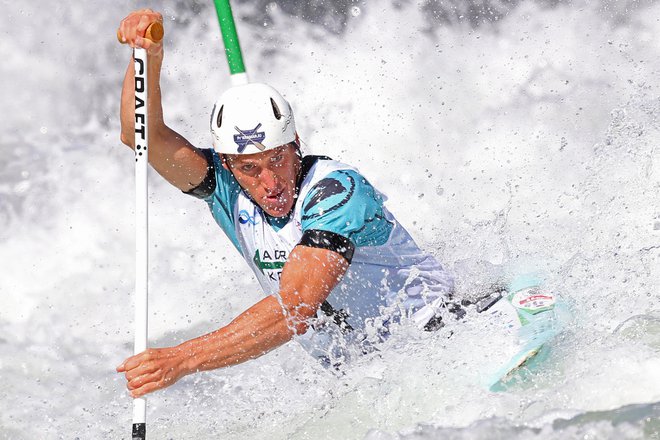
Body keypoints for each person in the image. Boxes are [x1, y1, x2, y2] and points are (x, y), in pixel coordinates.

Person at [115, 9, 455, 399]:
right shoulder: (224, 187)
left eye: (278, 159)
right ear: (227, 165)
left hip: (440, 338)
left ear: (296, 146)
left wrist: (182, 359)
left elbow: (295, 307)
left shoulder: (337, 192)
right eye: (250, 168)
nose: (270, 183)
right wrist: (148, 56)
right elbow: (140, 136)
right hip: (368, 377)